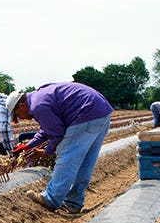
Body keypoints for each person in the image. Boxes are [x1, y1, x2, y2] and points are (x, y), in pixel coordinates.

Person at [7, 82, 113, 215]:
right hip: (102, 113)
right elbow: (47, 129)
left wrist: (46, 152)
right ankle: (73, 203)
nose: (20, 119)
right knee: (85, 162)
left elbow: (57, 134)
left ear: (21, 106)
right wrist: (28, 145)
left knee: (66, 156)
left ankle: (50, 198)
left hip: (85, 114)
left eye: (17, 116)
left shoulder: (38, 106)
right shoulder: (38, 98)